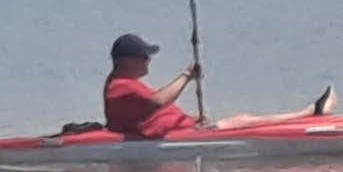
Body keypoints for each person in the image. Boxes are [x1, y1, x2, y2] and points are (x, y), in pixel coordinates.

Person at [103, 33, 329, 139]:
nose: (148, 61)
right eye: (145, 56)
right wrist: (186, 75)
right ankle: (307, 114)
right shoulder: (120, 87)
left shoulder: (127, 85)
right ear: (127, 61)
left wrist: (191, 120)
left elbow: (152, 111)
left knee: (243, 119)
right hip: (183, 136)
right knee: (245, 120)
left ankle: (306, 114)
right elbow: (159, 101)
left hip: (189, 130)